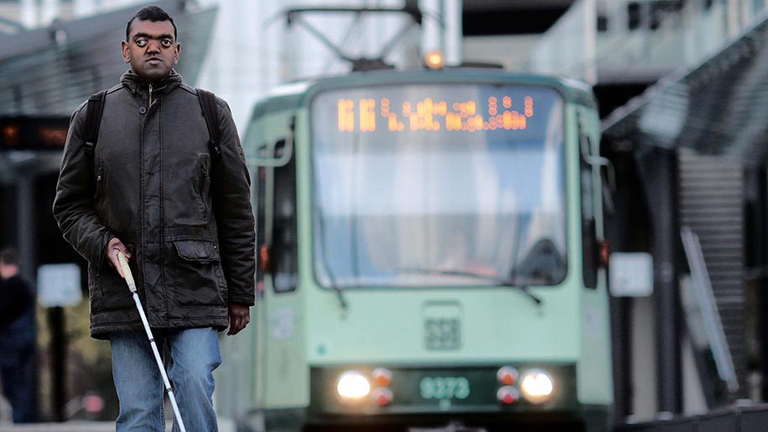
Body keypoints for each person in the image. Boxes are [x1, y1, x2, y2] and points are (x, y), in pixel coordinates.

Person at [52, 6, 255, 431]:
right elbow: (69, 206)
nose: (153, 48)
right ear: (126, 50)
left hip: (196, 286)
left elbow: (236, 210)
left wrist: (240, 293)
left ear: (177, 50)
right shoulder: (92, 116)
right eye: (143, 40)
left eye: (164, 41)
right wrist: (103, 242)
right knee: (140, 410)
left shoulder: (210, 113)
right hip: (126, 291)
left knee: (194, 381)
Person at [0, 247, 37, 423]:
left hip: (10, 341)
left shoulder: (8, 287)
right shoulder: (25, 285)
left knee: (13, 382)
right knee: (22, 380)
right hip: (25, 339)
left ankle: (21, 417)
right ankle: (24, 416)